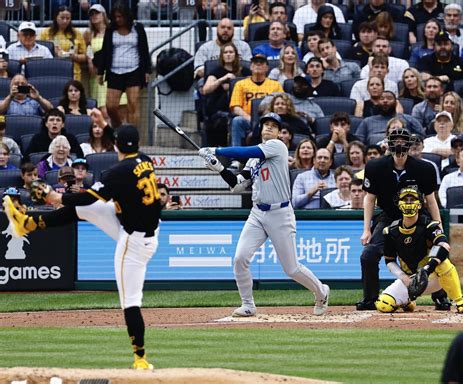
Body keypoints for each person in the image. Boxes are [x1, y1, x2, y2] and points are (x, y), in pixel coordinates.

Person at [3, 124, 161, 370]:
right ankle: (27, 224)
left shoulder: (119, 171)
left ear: (116, 145)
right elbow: (93, 199)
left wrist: (54, 197)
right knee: (85, 210)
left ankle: (140, 358)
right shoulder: (145, 160)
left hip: (134, 243)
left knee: (130, 301)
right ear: (138, 144)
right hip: (141, 227)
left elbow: (87, 194)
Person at [198, 113, 330, 316]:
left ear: (279, 133)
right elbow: (237, 185)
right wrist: (220, 168)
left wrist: (216, 150)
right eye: (265, 125)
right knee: (240, 258)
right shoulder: (254, 159)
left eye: (273, 126)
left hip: (280, 214)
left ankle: (321, 292)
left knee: (291, 268)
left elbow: (243, 151)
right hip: (258, 213)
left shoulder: (277, 147)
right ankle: (248, 305)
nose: (268, 128)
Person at [357, 127, 446, 311]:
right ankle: (370, 298)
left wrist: (438, 224)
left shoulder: (425, 168)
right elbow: (369, 198)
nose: (399, 144)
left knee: (437, 251)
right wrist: (366, 229)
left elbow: (431, 200)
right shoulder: (375, 167)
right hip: (389, 217)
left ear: (409, 143)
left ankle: (441, 296)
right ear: (388, 143)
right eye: (394, 140)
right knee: (368, 255)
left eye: (402, 140)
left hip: (418, 218)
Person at [375, 185, 463, 314]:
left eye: (412, 200)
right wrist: (404, 278)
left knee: (444, 263)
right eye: (405, 200)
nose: (409, 203)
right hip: (410, 279)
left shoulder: (430, 225)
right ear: (398, 204)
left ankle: (460, 302)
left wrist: (426, 270)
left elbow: (444, 246)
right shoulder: (390, 231)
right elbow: (390, 261)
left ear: (420, 204)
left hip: (431, 277)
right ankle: (408, 301)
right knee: (384, 304)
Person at [96, 2, 152, 128]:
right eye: (116, 17)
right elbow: (105, 50)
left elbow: (144, 49)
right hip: (115, 72)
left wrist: (147, 71)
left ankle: (132, 137)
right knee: (110, 106)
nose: (118, 19)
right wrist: (100, 72)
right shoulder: (110, 30)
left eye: (120, 16)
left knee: (133, 104)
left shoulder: (138, 28)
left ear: (127, 16)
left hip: (134, 71)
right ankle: (119, 129)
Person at [229, 54, 283, 156]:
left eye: (261, 63)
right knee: (237, 121)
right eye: (255, 63)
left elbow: (281, 104)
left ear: (267, 67)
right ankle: (236, 158)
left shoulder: (275, 85)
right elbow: (235, 107)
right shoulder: (240, 84)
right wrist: (251, 119)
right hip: (248, 120)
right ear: (251, 66)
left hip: (270, 120)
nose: (258, 65)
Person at [202, 42, 251, 147]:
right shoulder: (216, 71)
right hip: (221, 109)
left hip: (242, 107)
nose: (228, 54)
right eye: (225, 52)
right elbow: (206, 90)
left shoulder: (245, 71)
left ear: (236, 55)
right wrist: (222, 80)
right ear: (222, 56)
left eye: (231, 52)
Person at [83, 4, 127, 121]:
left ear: (104, 15)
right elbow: (89, 52)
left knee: (121, 110)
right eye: (91, 14)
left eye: (97, 13)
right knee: (105, 112)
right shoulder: (88, 34)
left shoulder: (114, 31)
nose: (94, 16)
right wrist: (90, 62)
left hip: (116, 74)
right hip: (99, 76)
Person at [355, 91, 425, 146]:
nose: (385, 101)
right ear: (377, 102)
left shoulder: (408, 119)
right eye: (382, 99)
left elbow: (421, 137)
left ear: (396, 102)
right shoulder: (367, 121)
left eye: (389, 98)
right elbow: (358, 142)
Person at [39, 6, 87, 80]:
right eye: (62, 18)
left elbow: (85, 56)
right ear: (56, 17)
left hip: (73, 73)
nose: (65, 21)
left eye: (68, 18)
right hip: (53, 71)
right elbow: (39, 53)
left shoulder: (76, 33)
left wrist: (73, 56)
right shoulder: (46, 33)